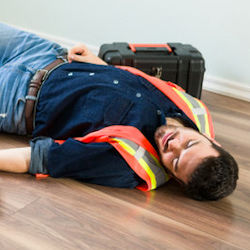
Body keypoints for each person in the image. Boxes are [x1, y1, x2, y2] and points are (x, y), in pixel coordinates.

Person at [0, 23, 238, 201]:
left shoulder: (129, 162)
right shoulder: (194, 110)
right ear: (211, 139)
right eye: (189, 145)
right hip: (44, 54)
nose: (172, 145)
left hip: (14, 98)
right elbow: (135, 83)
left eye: (175, 162)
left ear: (175, 179)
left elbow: (39, 159)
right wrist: (98, 64)